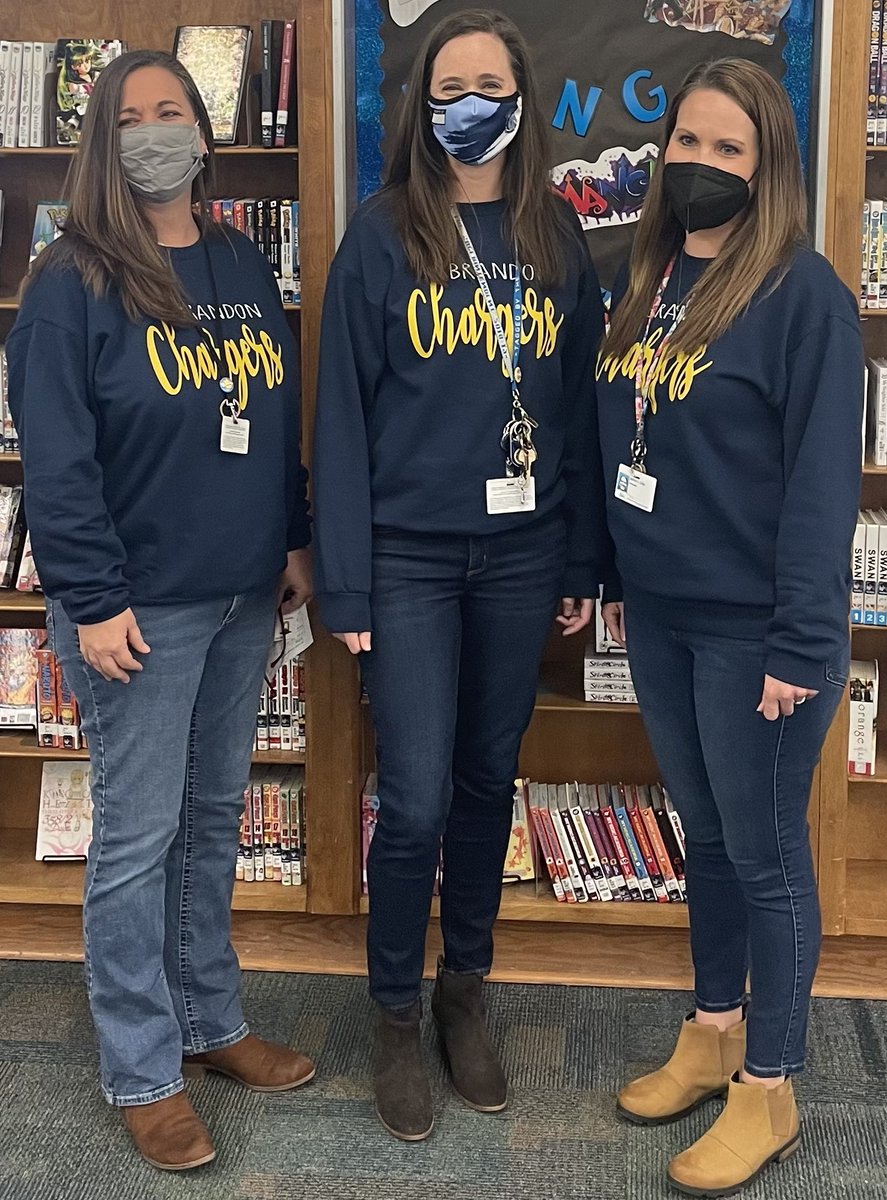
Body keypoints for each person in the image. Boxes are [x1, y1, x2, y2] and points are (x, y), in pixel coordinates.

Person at [7, 50, 315, 1172]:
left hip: (241, 597)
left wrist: (291, 537)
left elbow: (271, 407)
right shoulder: (68, 280)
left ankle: (208, 1022)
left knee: (212, 816)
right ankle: (141, 1068)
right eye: (129, 117)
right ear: (100, 140)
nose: (152, 132)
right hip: (134, 614)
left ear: (204, 128)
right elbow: (57, 461)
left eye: (170, 112)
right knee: (137, 840)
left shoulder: (238, 259)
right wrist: (89, 602)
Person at [314, 9, 604, 1142]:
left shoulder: (558, 235)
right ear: (422, 106)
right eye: (450, 85)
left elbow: (577, 410)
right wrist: (345, 584)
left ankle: (461, 988)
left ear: (520, 96)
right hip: (408, 557)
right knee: (418, 796)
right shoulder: (381, 237)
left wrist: (580, 554)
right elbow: (338, 420)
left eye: (489, 80)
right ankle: (393, 1009)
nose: (470, 101)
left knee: (490, 779)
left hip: (524, 551)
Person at [596, 58, 863, 1197]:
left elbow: (817, 490)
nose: (700, 166)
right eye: (687, 145)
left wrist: (801, 647)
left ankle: (769, 1083)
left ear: (766, 173)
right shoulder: (643, 277)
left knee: (765, 859)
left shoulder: (804, 299)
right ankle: (710, 1029)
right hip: (659, 613)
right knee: (702, 834)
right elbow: (629, 441)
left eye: (728, 151)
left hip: (758, 632)